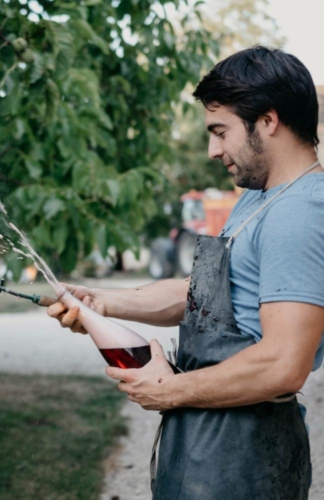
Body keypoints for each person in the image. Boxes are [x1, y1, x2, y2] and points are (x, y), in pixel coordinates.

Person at [47, 46, 324, 500]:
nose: (213, 150)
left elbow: (283, 363)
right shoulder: (261, 197)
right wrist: (102, 302)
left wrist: (171, 391)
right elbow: (210, 294)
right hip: (207, 432)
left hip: (245, 451)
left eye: (220, 131)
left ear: (268, 121)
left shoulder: (301, 212)